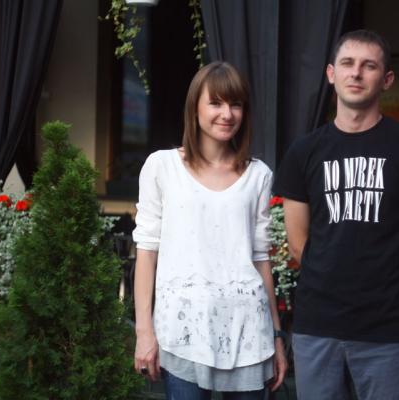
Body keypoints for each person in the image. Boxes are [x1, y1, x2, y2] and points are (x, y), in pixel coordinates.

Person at [272, 30, 399, 400]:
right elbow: (298, 243)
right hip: (317, 326)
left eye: (369, 66)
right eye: (347, 64)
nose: (356, 73)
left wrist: (393, 280)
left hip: (387, 330)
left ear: (387, 79)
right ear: (331, 73)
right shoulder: (304, 151)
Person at [132, 61, 287, 400]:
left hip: (249, 332)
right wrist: (144, 332)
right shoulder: (162, 167)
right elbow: (146, 252)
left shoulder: (259, 175)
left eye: (236, 104)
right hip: (182, 331)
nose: (227, 114)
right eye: (215, 103)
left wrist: (276, 336)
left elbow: (261, 259)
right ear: (195, 108)